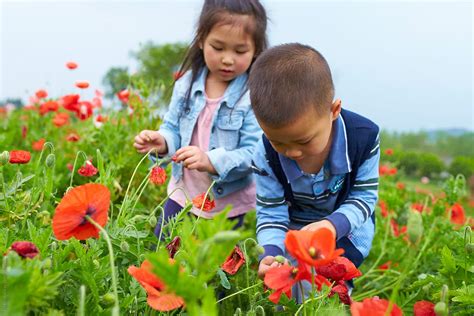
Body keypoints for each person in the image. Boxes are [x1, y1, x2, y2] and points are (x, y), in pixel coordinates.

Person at [248, 43, 380, 297]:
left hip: (347, 225)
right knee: (283, 281)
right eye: (279, 142)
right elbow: (271, 212)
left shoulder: (363, 138)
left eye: (304, 141)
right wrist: (271, 254)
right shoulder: (264, 153)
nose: (291, 153)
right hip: (294, 225)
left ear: (333, 110)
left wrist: (331, 226)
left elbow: (364, 198)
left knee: (326, 286)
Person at [133, 0, 268, 237]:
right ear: (201, 40)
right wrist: (162, 141)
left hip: (228, 202)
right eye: (218, 47)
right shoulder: (186, 83)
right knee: (161, 249)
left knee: (214, 265)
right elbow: (173, 127)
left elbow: (254, 155)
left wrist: (210, 161)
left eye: (240, 51)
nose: (228, 59)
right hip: (182, 190)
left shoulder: (252, 95)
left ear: (256, 49)